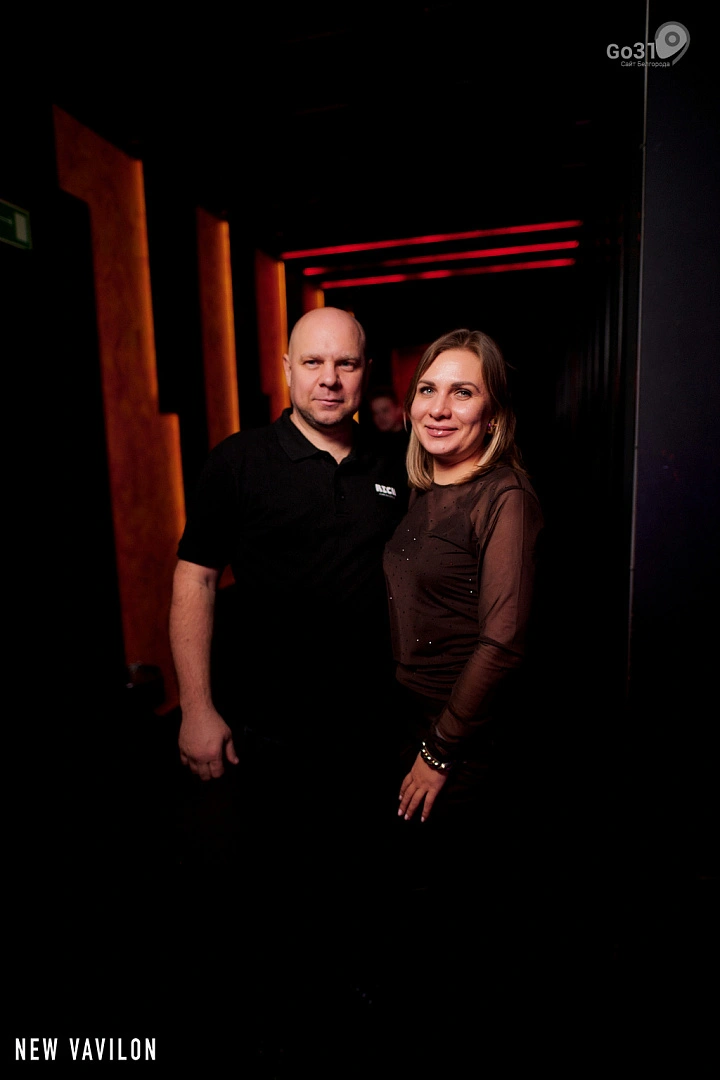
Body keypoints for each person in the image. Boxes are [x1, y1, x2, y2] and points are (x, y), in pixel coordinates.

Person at [168, 306, 408, 1039]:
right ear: (286, 369)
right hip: (269, 730)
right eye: (313, 363)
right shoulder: (237, 462)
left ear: (366, 373)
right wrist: (195, 707)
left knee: (366, 882)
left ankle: (359, 1012)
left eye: (345, 364)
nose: (329, 379)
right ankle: (279, 1029)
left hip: (373, 727)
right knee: (273, 890)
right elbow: (194, 580)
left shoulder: (395, 464)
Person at [383, 328, 544, 926]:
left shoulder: (506, 496)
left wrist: (439, 751)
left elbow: (503, 644)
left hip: (461, 739)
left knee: (453, 906)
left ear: (492, 412)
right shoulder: (423, 491)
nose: (439, 408)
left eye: (463, 392)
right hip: (408, 722)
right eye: (428, 389)